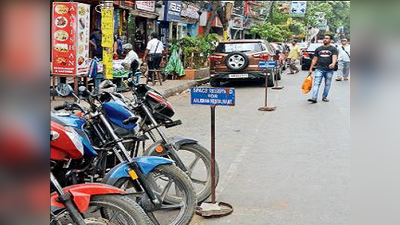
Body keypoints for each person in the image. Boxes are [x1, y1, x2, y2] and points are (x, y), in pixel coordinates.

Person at [307, 34, 338, 103]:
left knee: (327, 84)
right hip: (319, 69)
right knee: (316, 83)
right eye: (324, 38)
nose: (325, 39)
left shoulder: (333, 49)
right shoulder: (318, 49)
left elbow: (335, 57)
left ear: (330, 40)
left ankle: (324, 97)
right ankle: (314, 98)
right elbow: (314, 59)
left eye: (327, 38)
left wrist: (333, 63)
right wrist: (310, 69)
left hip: (329, 70)